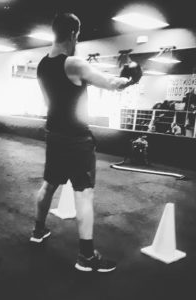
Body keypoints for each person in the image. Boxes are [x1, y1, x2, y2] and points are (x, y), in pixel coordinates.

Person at [30, 12, 140, 272]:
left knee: (48, 185)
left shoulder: (42, 65)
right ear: (73, 34)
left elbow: (52, 102)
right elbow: (111, 83)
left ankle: (37, 231)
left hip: (54, 134)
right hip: (76, 139)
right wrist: (131, 78)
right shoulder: (74, 63)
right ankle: (87, 256)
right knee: (84, 194)